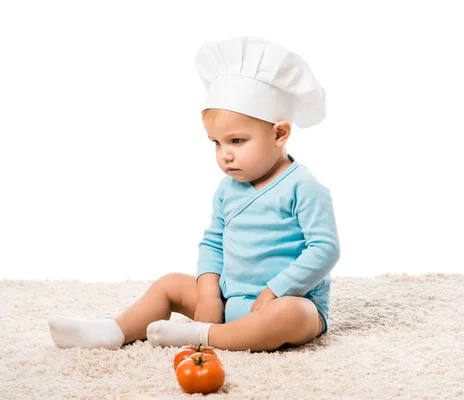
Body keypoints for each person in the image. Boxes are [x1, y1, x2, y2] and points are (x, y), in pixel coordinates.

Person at [48, 36, 340, 352]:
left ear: (279, 134)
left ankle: (201, 336)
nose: (224, 154)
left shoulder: (303, 186)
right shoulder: (229, 188)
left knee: (291, 314)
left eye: (237, 141)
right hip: (230, 300)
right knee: (170, 284)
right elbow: (214, 240)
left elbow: (324, 249)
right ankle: (113, 331)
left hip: (281, 303)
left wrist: (274, 291)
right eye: (216, 142)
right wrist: (209, 293)